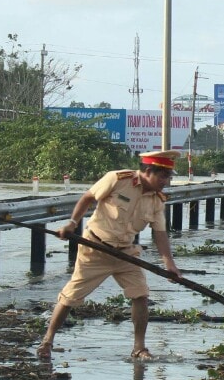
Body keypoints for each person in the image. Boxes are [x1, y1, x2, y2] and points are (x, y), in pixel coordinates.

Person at [38, 150, 182, 361]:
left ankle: (139, 348)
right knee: (71, 297)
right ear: (148, 171)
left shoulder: (157, 200)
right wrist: (72, 223)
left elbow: (160, 233)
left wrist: (169, 264)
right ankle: (47, 341)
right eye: (163, 176)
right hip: (95, 249)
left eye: (168, 177)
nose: (166, 182)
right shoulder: (117, 179)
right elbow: (87, 197)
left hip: (126, 253)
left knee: (140, 295)